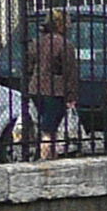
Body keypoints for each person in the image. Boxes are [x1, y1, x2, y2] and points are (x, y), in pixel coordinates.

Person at [23, 9, 77, 159]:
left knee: (47, 125)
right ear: (59, 24)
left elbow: (29, 66)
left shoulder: (37, 42)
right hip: (56, 91)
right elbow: (70, 72)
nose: (69, 26)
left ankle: (51, 156)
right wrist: (72, 94)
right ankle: (45, 159)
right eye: (67, 22)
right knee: (49, 129)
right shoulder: (65, 45)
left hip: (36, 89)